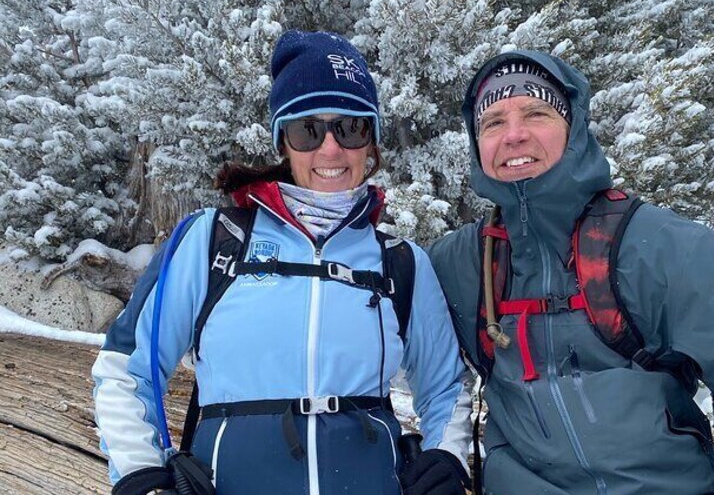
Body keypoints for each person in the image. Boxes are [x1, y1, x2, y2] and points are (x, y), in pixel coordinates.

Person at [92, 30, 472, 495]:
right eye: (307, 129)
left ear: (370, 142)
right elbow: (125, 368)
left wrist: (446, 459)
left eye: (351, 127)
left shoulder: (400, 262)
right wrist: (139, 474)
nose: (330, 149)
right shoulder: (214, 241)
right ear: (282, 142)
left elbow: (445, 387)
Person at [427, 50, 714, 494]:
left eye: (536, 112)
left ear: (573, 127)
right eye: (493, 121)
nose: (514, 135)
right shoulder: (457, 264)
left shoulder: (666, 249)